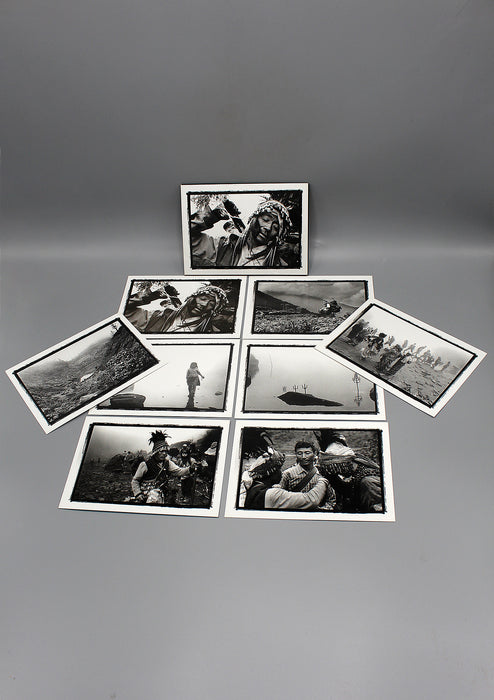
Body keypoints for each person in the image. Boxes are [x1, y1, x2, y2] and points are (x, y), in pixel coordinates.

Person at [190, 198, 296, 268]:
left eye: (276, 228)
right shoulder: (224, 246)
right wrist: (213, 215)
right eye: (266, 219)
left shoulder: (278, 265)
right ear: (253, 218)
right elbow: (187, 238)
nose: (268, 228)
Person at [314, 429, 383, 513]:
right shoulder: (358, 474)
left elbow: (378, 511)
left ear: (343, 464)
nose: (337, 472)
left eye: (336, 468)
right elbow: (349, 491)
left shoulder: (368, 482)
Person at [241, 451, 329, 511]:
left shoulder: (253, 485)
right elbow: (311, 500)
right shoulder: (273, 495)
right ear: (270, 472)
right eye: (278, 468)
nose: (281, 472)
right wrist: (323, 479)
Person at [131, 431, 194, 505]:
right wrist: (138, 493)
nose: (164, 453)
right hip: (147, 495)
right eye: (161, 451)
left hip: (163, 492)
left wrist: (191, 468)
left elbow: (179, 471)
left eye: (166, 451)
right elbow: (135, 480)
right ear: (156, 452)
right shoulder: (145, 465)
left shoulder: (167, 463)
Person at [144, 284, 231, 334]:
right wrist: (150, 297)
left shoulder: (210, 332)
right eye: (203, 299)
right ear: (192, 298)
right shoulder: (158, 316)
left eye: (211, 304)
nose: (204, 304)